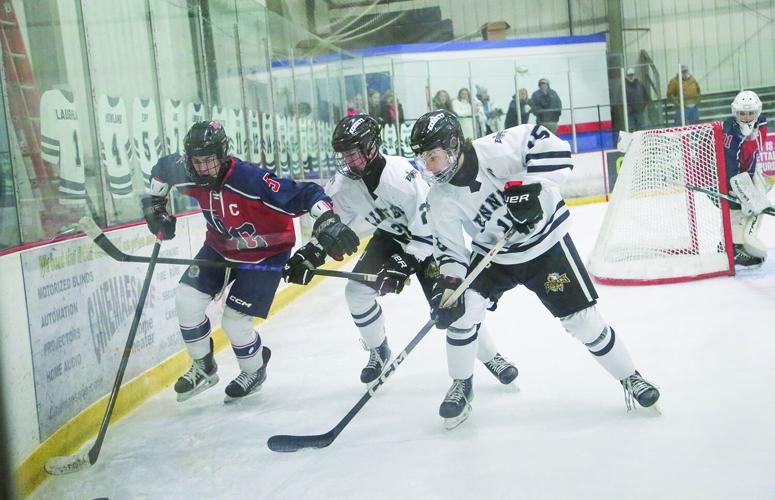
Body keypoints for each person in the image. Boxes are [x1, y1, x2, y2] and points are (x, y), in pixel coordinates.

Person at [409, 110, 660, 428]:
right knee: (462, 310)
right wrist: (448, 289)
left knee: (582, 322)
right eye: (424, 158)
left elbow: (557, 149)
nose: (428, 166)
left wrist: (529, 188)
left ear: (454, 144)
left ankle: (631, 378)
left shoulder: (498, 149)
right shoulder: (440, 197)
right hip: (494, 258)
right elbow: (450, 251)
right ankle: (461, 384)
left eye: (433, 156)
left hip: (546, 247)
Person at [282, 114, 518, 388]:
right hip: (391, 238)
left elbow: (427, 229)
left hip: (431, 242)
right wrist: (312, 252)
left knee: (453, 305)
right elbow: (336, 225)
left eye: (355, 153)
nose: (349, 161)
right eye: (345, 155)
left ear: (371, 147)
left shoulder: (402, 178)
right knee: (356, 293)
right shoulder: (343, 185)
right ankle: (378, 351)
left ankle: (492, 357)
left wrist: (404, 263)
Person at [142, 120, 360, 403]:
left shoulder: (250, 180)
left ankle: (254, 369)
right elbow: (160, 173)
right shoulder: (185, 170)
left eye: (209, 160)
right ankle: (204, 367)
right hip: (220, 247)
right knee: (186, 300)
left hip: (265, 252)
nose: (203, 168)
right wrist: (157, 207)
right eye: (197, 161)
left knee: (234, 321)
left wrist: (328, 219)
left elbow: (306, 193)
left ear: (222, 155)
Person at [723, 90, 770, 268]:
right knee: (736, 209)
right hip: (726, 176)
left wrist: (754, 172)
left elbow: (754, 150)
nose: (747, 117)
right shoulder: (731, 131)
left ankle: (743, 243)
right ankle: (732, 248)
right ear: (735, 113)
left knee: (758, 207)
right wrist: (737, 190)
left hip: (748, 173)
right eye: (742, 113)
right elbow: (730, 164)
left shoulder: (762, 121)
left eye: (750, 113)